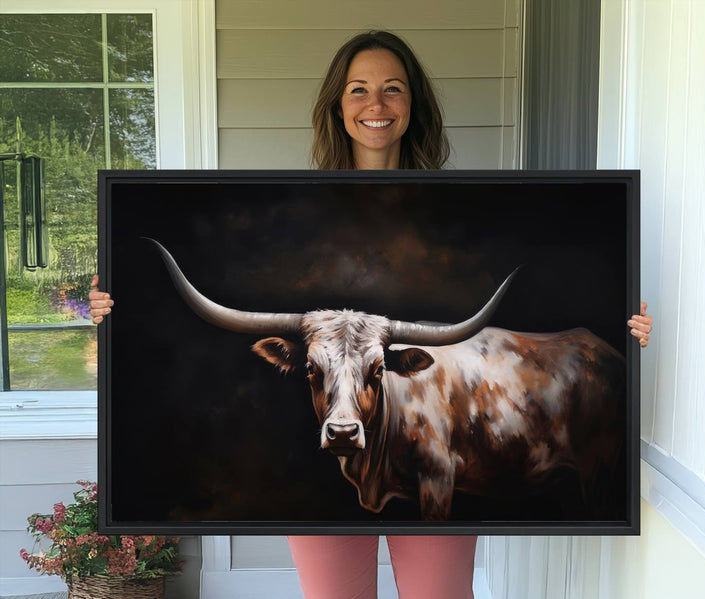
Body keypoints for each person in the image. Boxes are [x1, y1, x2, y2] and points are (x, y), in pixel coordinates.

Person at [89, 30, 653, 599]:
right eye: (358, 90)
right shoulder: (290, 209)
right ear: (338, 105)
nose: (376, 105)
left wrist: (625, 327)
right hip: (327, 473)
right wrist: (116, 309)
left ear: (413, 105)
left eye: (393, 89)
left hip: (429, 436)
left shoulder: (466, 206)